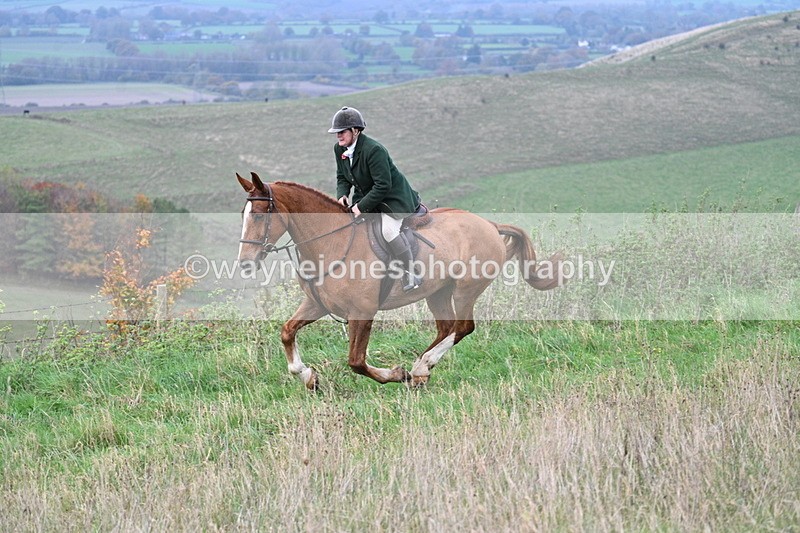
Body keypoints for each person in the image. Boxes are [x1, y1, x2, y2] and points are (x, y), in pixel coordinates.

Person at [328, 106, 423, 292]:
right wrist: (342, 196)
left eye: (342, 132)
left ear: (355, 131)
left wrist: (360, 207)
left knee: (388, 231)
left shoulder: (374, 150)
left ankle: (411, 272)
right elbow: (342, 177)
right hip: (368, 198)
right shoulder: (339, 149)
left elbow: (383, 186)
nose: (338, 136)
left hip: (393, 199)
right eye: (336, 132)